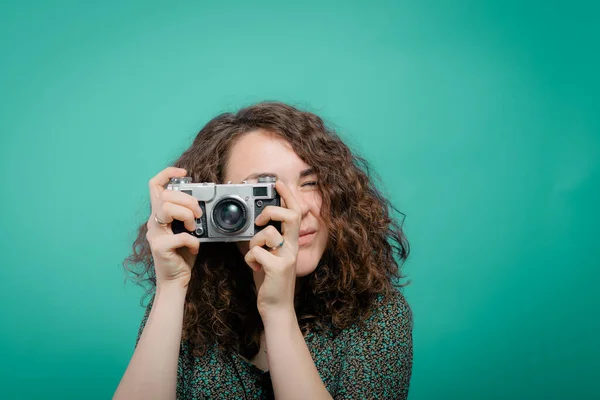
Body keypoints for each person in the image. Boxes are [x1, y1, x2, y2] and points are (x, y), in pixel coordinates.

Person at [114, 102, 413, 400]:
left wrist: (279, 313)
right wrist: (170, 289)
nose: (297, 210)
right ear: (220, 209)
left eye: (310, 183)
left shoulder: (378, 316)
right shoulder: (185, 310)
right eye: (264, 190)